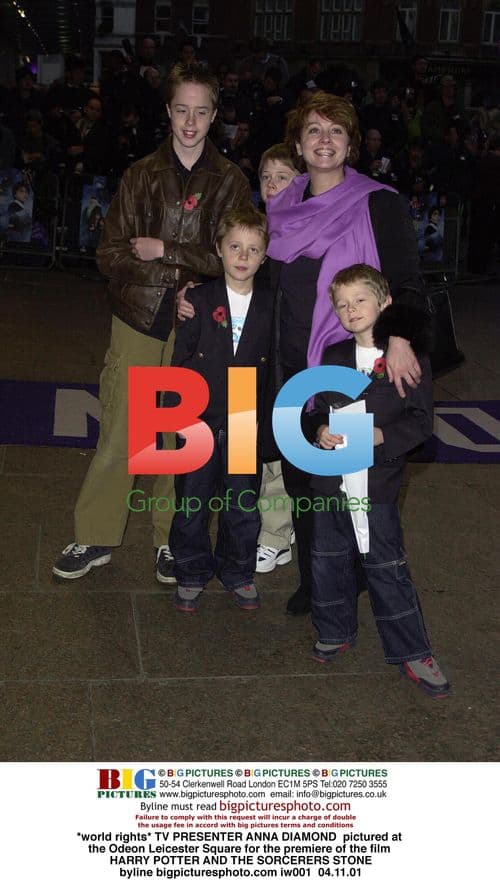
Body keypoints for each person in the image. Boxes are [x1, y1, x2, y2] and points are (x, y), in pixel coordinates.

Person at [52, 63, 251, 583]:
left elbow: (238, 254)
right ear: (168, 111)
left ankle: (170, 541)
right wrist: (177, 272)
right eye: (181, 110)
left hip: (195, 324)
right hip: (138, 318)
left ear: (215, 116)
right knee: (120, 431)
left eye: (201, 111)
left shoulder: (230, 181)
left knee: (173, 437)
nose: (190, 121)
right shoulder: (140, 174)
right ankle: (95, 535)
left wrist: (166, 250)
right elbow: (109, 253)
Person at [265, 91, 426, 616]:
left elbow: (407, 280)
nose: (325, 140)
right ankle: (319, 576)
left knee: (345, 481)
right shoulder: (282, 206)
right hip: (288, 362)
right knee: (300, 475)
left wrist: (399, 337)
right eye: (314, 130)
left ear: (351, 144)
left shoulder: (379, 202)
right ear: (298, 143)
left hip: (350, 367)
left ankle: (353, 575)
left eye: (336, 131)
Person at [307, 264, 450, 698]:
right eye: (342, 304)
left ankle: (412, 651)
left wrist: (384, 435)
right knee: (326, 560)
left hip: (377, 486)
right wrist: (318, 431)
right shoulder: (332, 356)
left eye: (360, 300)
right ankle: (335, 628)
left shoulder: (408, 360)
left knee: (386, 568)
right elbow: (313, 408)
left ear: (384, 302)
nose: (351, 310)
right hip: (331, 482)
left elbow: (422, 424)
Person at [169, 206, 273, 612]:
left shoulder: (271, 302)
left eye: (253, 249)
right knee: (191, 499)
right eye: (235, 247)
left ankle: (238, 570)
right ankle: (191, 569)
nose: (243, 257)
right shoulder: (197, 298)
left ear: (265, 256)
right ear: (219, 250)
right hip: (196, 408)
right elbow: (180, 357)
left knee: (242, 501)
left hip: (246, 409)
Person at [255, 144, 299, 573]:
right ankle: (270, 530)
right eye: (266, 176)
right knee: (261, 445)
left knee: (280, 446)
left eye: (282, 176)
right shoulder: (258, 230)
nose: (271, 185)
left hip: (291, 356)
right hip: (258, 354)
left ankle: (276, 534)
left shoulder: (303, 233)